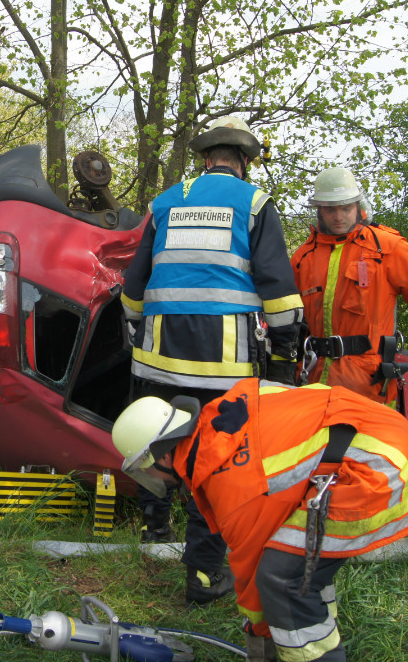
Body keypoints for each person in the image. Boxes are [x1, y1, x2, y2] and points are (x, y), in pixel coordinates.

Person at [112, 379, 408, 662]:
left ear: (165, 454)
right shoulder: (219, 418)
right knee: (296, 561)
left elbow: (253, 577)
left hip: (375, 464)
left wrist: (259, 641)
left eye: (147, 469)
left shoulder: (233, 486)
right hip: (374, 433)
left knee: (281, 579)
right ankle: (314, 629)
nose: (151, 479)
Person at [120, 116, 305, 606]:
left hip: (159, 353)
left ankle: (154, 529)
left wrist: (134, 323)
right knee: (216, 458)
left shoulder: (165, 203)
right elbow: (276, 285)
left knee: (157, 440)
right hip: (223, 361)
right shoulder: (254, 203)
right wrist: (284, 349)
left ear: (205, 159)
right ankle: (203, 573)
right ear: (244, 161)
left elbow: (135, 282)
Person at [290, 167, 408, 405]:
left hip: (371, 384)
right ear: (319, 210)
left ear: (358, 207)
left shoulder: (387, 248)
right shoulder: (303, 257)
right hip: (314, 381)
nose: (339, 216)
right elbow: (288, 317)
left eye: (346, 208)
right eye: (331, 209)